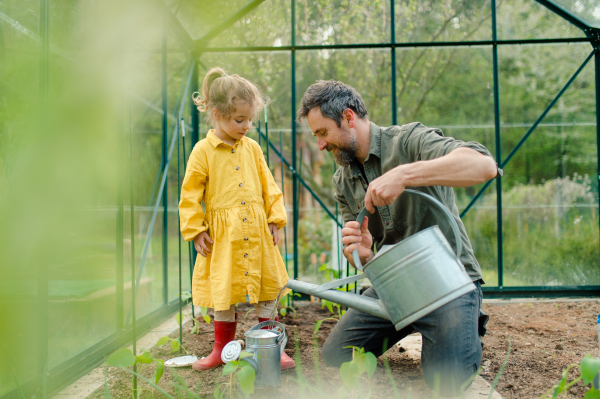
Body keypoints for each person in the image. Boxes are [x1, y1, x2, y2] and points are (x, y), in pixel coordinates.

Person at [297, 80, 500, 395]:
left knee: (447, 382)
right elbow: (362, 254)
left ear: (349, 117)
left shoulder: (409, 141)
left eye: (323, 133)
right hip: (396, 286)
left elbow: (484, 166)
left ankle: (456, 325)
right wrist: (362, 254)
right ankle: (418, 323)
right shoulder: (343, 179)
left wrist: (405, 174)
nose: (321, 145)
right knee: (337, 353)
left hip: (449, 282)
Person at [179, 67, 294, 371]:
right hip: (223, 237)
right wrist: (195, 229)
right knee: (223, 293)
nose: (246, 126)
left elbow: (269, 184)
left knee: (267, 289)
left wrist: (274, 218)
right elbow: (189, 194)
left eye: (249, 120)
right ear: (217, 114)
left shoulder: (252, 148)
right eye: (239, 120)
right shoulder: (202, 151)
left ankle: (272, 349)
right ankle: (220, 350)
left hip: (256, 233)